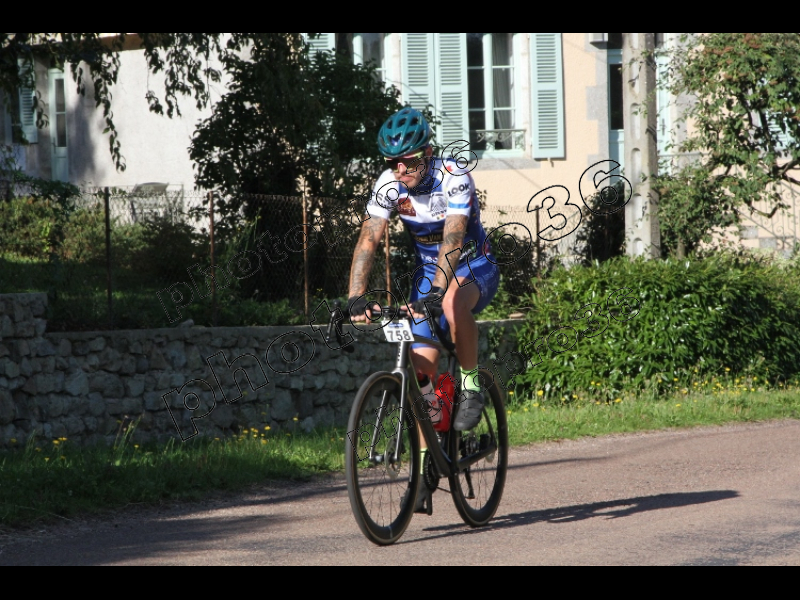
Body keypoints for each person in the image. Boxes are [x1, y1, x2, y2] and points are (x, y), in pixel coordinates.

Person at [346, 107, 500, 513]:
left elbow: (453, 239)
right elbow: (368, 239)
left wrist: (437, 291)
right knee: (420, 370)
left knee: (449, 301)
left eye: (409, 161)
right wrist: (356, 297)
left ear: (427, 154)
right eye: (393, 162)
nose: (400, 169)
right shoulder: (389, 184)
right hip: (429, 274)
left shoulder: (453, 175)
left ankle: (470, 385)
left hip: (473, 265)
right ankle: (426, 466)